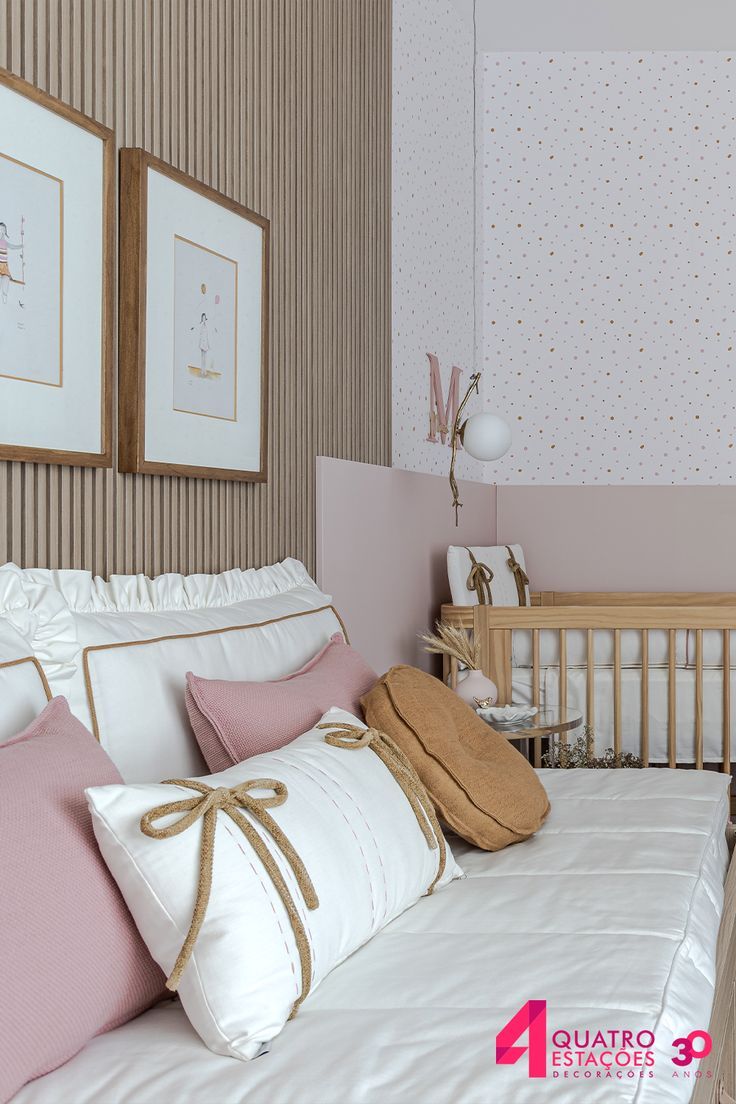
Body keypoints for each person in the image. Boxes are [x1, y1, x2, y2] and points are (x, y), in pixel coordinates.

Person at [0, 221, 23, 305]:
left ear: (5, 232)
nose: (1, 232)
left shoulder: (5, 243)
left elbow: (12, 247)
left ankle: (4, 295)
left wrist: (21, 246)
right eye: (0, 230)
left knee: (6, 279)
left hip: (4, 266)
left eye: (3, 231)